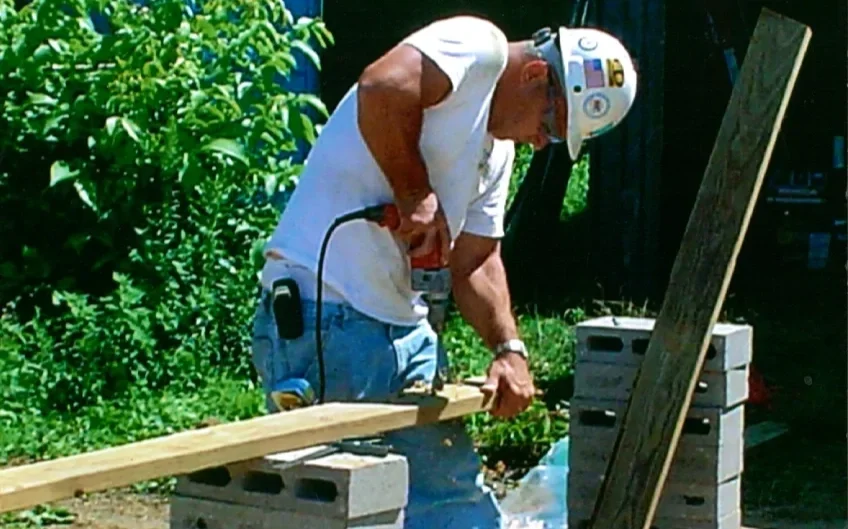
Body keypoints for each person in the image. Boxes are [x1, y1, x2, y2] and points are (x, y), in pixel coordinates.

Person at [251, 14, 637, 529]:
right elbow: (382, 85)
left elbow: (476, 259)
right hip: (326, 314)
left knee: (456, 511)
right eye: (548, 126)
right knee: (346, 510)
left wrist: (509, 349)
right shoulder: (479, 47)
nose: (541, 143)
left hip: (402, 334)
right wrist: (414, 193)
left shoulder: (495, 153)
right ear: (535, 77)